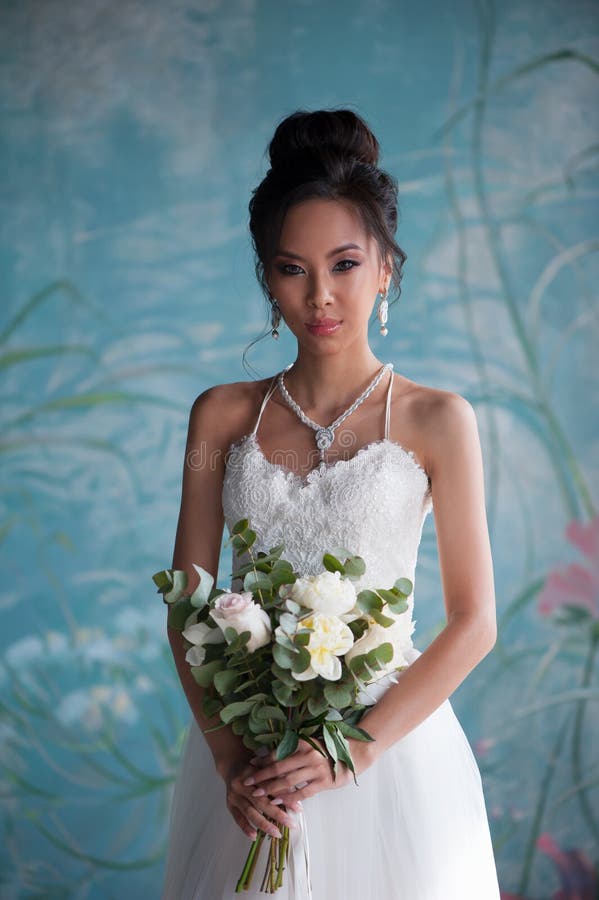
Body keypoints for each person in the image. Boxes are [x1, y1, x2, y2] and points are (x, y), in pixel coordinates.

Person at [162, 108, 501, 898]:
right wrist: (225, 760)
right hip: (253, 763)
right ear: (265, 275)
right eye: (291, 269)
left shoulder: (438, 421)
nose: (319, 296)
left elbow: (474, 621)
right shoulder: (219, 420)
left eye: (344, 264)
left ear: (385, 267)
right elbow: (188, 603)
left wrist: (353, 748)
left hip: (392, 756)